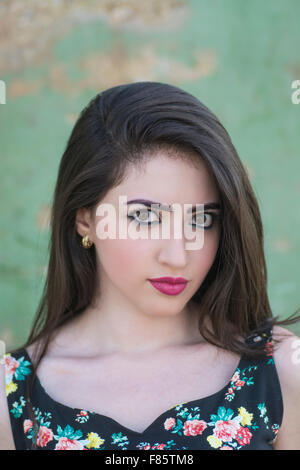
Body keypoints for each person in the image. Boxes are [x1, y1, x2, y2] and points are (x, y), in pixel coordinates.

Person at [1, 81, 300, 450]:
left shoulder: (280, 371)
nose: (177, 256)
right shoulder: (11, 396)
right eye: (145, 216)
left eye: (202, 220)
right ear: (85, 220)